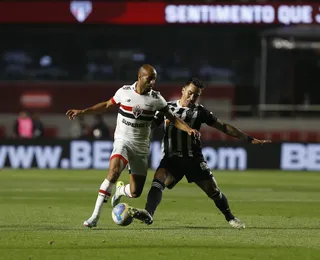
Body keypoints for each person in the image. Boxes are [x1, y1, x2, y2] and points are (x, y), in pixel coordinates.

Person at [113, 77, 271, 228]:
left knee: (213, 190)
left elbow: (223, 127)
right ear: (183, 90)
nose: (192, 97)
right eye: (190, 92)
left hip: (193, 159)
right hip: (171, 159)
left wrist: (249, 139)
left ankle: (230, 218)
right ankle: (148, 213)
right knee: (159, 181)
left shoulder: (200, 112)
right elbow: (150, 125)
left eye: (196, 95)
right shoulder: (166, 108)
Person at [66, 65, 200, 228]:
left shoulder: (157, 99)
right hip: (123, 140)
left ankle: (121, 191)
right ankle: (94, 217)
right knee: (114, 172)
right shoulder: (124, 92)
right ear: (139, 77)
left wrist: (189, 129)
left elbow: (172, 118)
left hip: (141, 147)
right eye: (149, 78)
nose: (152, 82)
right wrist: (83, 112)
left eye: (154, 79)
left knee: (136, 192)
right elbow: (107, 105)